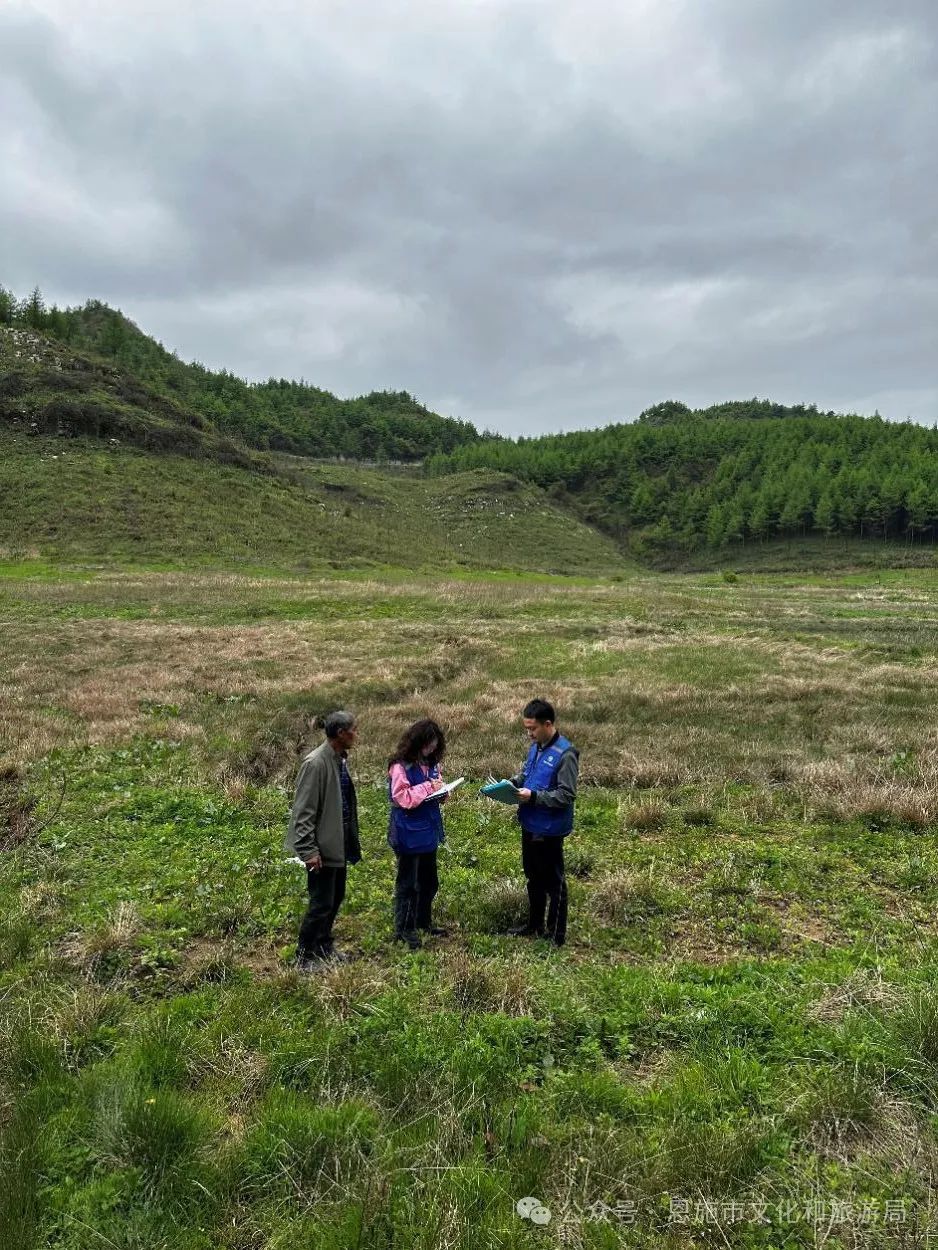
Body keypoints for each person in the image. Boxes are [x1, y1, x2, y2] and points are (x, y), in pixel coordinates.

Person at [284, 710, 362, 970]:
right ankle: (305, 956)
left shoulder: (338, 760)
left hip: (337, 844)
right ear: (340, 733)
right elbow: (303, 812)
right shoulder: (315, 763)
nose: (356, 735)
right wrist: (308, 850)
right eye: (353, 730)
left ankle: (324, 947)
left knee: (335, 897)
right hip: (322, 848)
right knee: (321, 903)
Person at [507, 698, 578, 946]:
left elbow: (566, 795)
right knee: (533, 876)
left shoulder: (566, 754)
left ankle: (556, 934)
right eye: (526, 729)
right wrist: (513, 783)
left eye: (533, 728)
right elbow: (528, 773)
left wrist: (535, 796)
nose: (529, 734)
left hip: (550, 829)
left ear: (548, 724)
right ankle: (534, 924)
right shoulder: (536, 747)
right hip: (530, 823)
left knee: (554, 881)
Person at [387, 718, 450, 950]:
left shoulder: (432, 764)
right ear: (416, 742)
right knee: (408, 885)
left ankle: (423, 921)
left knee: (428, 881)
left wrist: (443, 791)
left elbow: (434, 791)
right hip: (408, 832)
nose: (430, 750)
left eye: (434, 746)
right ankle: (404, 928)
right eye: (427, 745)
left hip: (428, 830)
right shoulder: (400, 767)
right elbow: (403, 798)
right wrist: (429, 787)